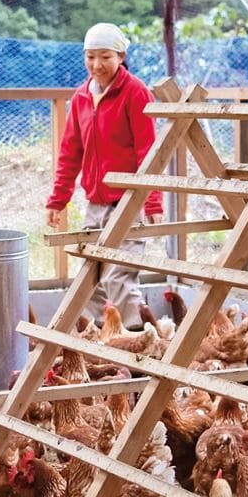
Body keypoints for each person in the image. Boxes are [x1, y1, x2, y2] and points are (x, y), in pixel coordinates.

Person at [45, 22, 163, 330]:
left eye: (105, 57)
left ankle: (137, 344)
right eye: (90, 57)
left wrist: (152, 203)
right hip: (95, 203)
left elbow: (148, 151)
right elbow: (70, 152)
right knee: (93, 276)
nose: (97, 65)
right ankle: (104, 343)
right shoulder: (82, 97)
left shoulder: (135, 92)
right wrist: (58, 201)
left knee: (120, 274)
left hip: (128, 200)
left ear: (121, 56)